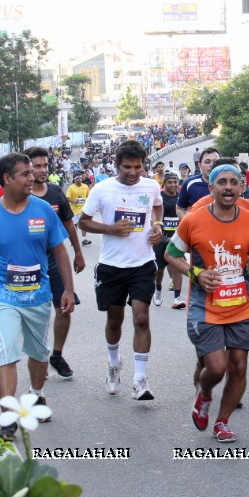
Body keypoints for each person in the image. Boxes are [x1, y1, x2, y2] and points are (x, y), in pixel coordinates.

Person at [0, 153, 76, 441]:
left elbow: (60, 250)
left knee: (38, 353)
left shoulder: (43, 210)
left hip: (37, 296)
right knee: (6, 351)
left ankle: (37, 395)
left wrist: (67, 289)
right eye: (25, 174)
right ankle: (8, 419)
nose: (32, 178)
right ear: (7, 179)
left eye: (32, 172)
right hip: (4, 297)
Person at [165, 164, 249, 442]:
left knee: (238, 365)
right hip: (205, 305)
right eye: (221, 182)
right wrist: (195, 272)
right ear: (210, 189)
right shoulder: (193, 221)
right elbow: (171, 254)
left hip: (241, 305)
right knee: (217, 366)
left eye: (234, 182)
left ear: (242, 188)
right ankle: (205, 395)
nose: (228, 187)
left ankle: (222, 422)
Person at [79, 140, 165, 400]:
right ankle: (114, 364)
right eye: (127, 167)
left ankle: (140, 380)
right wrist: (110, 229)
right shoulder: (103, 189)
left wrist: (158, 225)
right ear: (117, 165)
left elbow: (158, 205)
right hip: (111, 266)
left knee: (141, 317)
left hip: (142, 263)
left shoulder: (150, 186)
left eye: (138, 167)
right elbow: (82, 221)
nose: (133, 172)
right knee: (115, 320)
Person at [26, 147, 85, 380]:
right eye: (36, 166)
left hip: (55, 260)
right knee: (35, 313)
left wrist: (78, 252)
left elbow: (69, 224)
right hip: (30, 263)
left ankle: (57, 355)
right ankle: (39, 356)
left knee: (65, 307)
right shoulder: (21, 196)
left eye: (44, 165)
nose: (42, 170)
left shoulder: (55, 193)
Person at [154, 172, 186, 309]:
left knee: (177, 267)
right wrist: (156, 226)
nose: (173, 185)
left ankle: (177, 298)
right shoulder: (160, 198)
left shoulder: (181, 198)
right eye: (170, 182)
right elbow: (154, 214)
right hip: (161, 239)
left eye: (175, 182)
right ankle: (158, 290)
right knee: (159, 269)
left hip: (177, 238)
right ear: (164, 184)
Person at [177, 147, 220, 216]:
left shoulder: (230, 185)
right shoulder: (189, 183)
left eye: (215, 162)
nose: (211, 165)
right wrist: (190, 223)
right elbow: (180, 209)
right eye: (207, 162)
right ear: (199, 165)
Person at [65, 172, 92, 247]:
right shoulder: (71, 187)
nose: (80, 179)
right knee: (74, 225)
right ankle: (73, 240)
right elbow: (67, 197)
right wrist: (74, 201)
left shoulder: (85, 186)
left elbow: (88, 196)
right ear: (74, 179)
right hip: (74, 209)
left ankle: (84, 239)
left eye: (80, 178)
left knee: (84, 224)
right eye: (78, 178)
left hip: (83, 209)